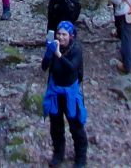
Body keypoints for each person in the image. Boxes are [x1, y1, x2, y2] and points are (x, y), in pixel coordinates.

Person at [41, 20, 87, 168]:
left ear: (71, 36)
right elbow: (44, 67)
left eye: (64, 35)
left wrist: (59, 55)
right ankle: (58, 154)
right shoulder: (55, 47)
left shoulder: (76, 49)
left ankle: (81, 158)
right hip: (55, 91)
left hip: (70, 93)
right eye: (59, 34)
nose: (61, 37)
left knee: (76, 125)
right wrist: (49, 54)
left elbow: (73, 68)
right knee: (56, 126)